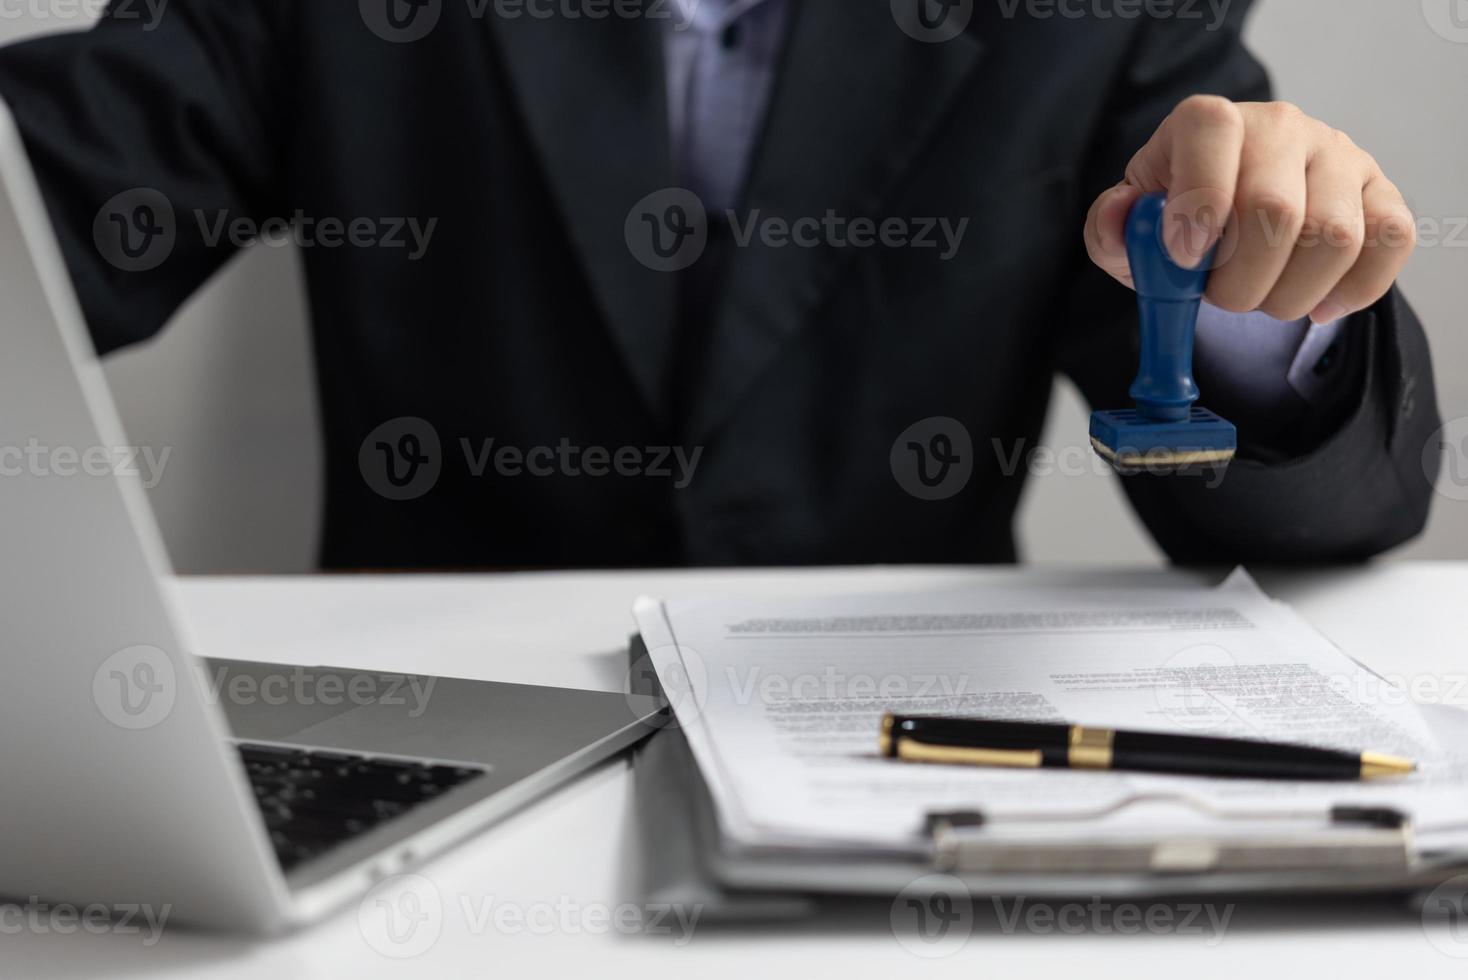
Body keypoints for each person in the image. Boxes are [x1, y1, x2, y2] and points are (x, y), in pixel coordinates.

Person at [0, 0, 1440, 569]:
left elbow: (1312, 503)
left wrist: (1260, 289)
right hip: (428, 785)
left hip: (910, 782)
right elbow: (64, 195)